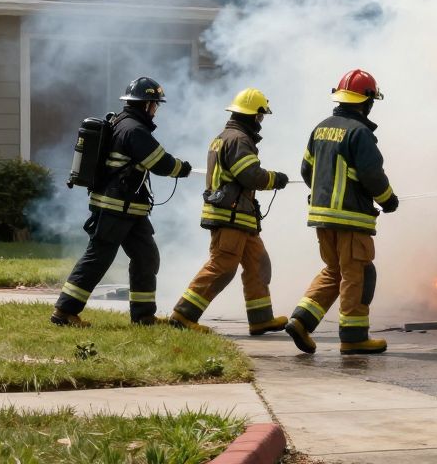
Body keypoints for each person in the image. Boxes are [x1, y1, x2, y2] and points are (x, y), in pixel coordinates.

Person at [52, 77, 192, 327]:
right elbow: (160, 163)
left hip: (130, 209)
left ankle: (144, 316)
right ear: (146, 104)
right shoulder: (134, 130)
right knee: (98, 258)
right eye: (155, 104)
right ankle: (64, 312)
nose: (156, 109)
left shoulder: (122, 122)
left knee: (146, 257)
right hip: (115, 209)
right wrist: (182, 168)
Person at [284, 69, 399, 355]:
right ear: (367, 101)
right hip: (350, 219)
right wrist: (388, 200)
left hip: (322, 218)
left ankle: (301, 321)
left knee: (334, 271)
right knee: (357, 275)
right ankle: (354, 337)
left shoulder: (320, 129)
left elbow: (306, 169)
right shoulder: (360, 133)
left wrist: (325, 197)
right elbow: (372, 175)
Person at [169, 88, 290, 335]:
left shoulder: (226, 137)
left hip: (240, 217)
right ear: (252, 115)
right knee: (222, 267)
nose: (261, 121)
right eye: (260, 116)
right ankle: (183, 315)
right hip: (230, 216)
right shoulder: (238, 140)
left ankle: (261, 319)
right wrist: (275, 179)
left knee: (258, 264)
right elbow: (251, 176)